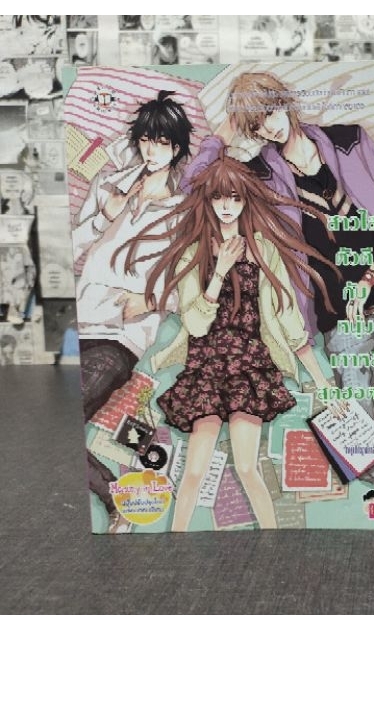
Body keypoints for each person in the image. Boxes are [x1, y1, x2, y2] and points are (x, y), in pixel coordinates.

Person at [125, 153, 340, 531]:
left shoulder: (263, 249)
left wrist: (322, 382)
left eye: (235, 198)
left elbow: (288, 316)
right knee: (194, 471)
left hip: (249, 366)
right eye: (218, 197)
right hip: (206, 366)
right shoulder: (193, 253)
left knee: (247, 467)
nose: (226, 206)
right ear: (207, 201)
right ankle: (176, 539)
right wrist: (219, 272)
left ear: (245, 200)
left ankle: (273, 540)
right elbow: (195, 324)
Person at [184, 70, 374, 426]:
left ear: (284, 101)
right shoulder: (259, 176)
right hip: (340, 324)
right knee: (362, 439)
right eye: (256, 126)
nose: (269, 129)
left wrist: (370, 277)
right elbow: (192, 186)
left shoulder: (350, 141)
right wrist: (226, 131)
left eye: (269, 113)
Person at [72, 91, 193, 533]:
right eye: (145, 140)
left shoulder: (184, 211)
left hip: (121, 338)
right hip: (80, 321)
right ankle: (114, 497)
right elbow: (72, 246)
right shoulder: (109, 184)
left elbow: (191, 284)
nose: (151, 151)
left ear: (176, 148)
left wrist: (155, 300)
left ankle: (113, 499)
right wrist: (105, 216)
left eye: (162, 143)